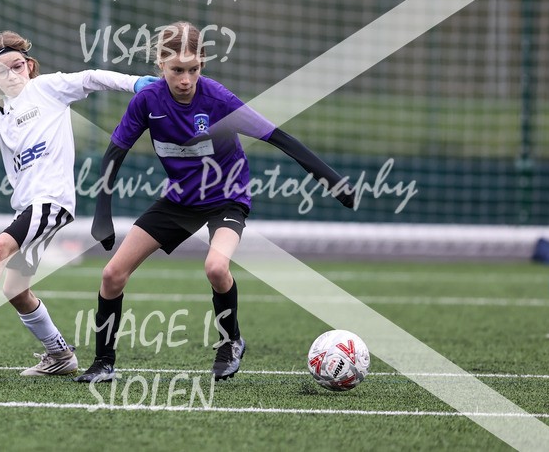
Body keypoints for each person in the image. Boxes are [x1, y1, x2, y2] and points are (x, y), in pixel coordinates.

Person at [74, 21, 354, 383]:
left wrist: (330, 179)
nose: (186, 79)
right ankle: (103, 363)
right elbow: (115, 152)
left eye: (193, 70)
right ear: (160, 65)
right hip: (180, 200)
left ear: (202, 65)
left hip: (226, 198)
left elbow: (278, 137)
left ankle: (231, 342)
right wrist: (103, 215)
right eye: (177, 70)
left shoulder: (218, 99)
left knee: (216, 268)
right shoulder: (147, 101)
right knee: (112, 274)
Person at [0, 30, 156, 376]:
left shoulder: (48, 88)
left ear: (29, 65)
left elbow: (91, 77)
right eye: (2, 72)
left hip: (51, 200)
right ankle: (59, 355)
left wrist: (134, 83)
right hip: (29, 207)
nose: (12, 75)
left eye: (17, 66)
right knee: (15, 290)